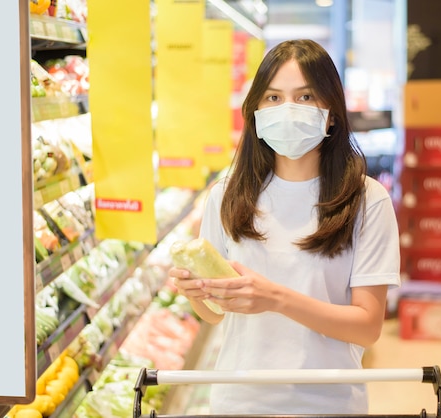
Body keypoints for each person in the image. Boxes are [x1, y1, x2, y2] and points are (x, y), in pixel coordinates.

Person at [170, 39, 401, 415]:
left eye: (305, 97)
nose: (288, 110)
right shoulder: (227, 195)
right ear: (257, 110)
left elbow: (367, 327)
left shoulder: (366, 200)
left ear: (331, 113)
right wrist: (195, 291)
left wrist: (275, 299)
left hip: (329, 402)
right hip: (239, 400)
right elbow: (215, 313)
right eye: (274, 98)